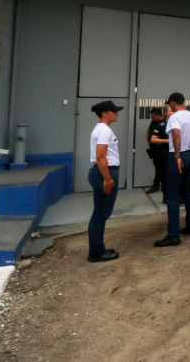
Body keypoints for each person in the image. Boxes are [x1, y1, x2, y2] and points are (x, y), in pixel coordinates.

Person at [155, 92, 190, 247]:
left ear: (172, 102)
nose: (169, 106)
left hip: (177, 158)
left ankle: (173, 235)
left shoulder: (175, 117)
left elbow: (176, 135)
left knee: (172, 196)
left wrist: (177, 156)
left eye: (169, 104)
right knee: (186, 192)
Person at [87, 100, 124, 263]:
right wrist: (108, 179)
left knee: (100, 213)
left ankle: (98, 248)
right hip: (105, 173)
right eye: (114, 111)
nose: (117, 114)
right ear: (105, 113)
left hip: (104, 172)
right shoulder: (104, 130)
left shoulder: (102, 129)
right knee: (101, 214)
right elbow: (101, 156)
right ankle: (96, 252)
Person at [146, 107, 169, 195]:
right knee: (157, 167)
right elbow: (149, 129)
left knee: (160, 168)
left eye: (153, 116)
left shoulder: (164, 124)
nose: (152, 118)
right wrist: (148, 138)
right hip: (153, 149)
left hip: (161, 150)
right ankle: (158, 184)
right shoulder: (153, 122)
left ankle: (157, 185)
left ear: (158, 115)